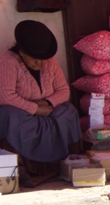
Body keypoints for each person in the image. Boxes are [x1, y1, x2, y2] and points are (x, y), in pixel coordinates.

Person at [0, 20, 82, 186]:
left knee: (68, 110)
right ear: (22, 52)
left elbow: (63, 90)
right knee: (9, 114)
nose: (40, 63)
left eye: (42, 59)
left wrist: (47, 103)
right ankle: (24, 170)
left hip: (47, 108)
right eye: (34, 60)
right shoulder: (8, 60)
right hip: (22, 112)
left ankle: (68, 163)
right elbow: (6, 96)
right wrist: (35, 109)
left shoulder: (48, 60)